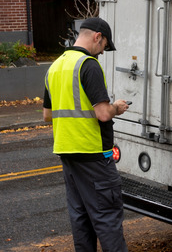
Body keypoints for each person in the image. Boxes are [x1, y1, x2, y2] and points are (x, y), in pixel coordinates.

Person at [43, 17, 130, 252]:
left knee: (81, 220)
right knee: (107, 220)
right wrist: (117, 108)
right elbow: (103, 114)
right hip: (93, 156)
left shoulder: (56, 66)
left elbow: (47, 115)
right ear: (97, 37)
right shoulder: (88, 65)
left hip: (67, 154)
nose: (101, 53)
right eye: (103, 47)